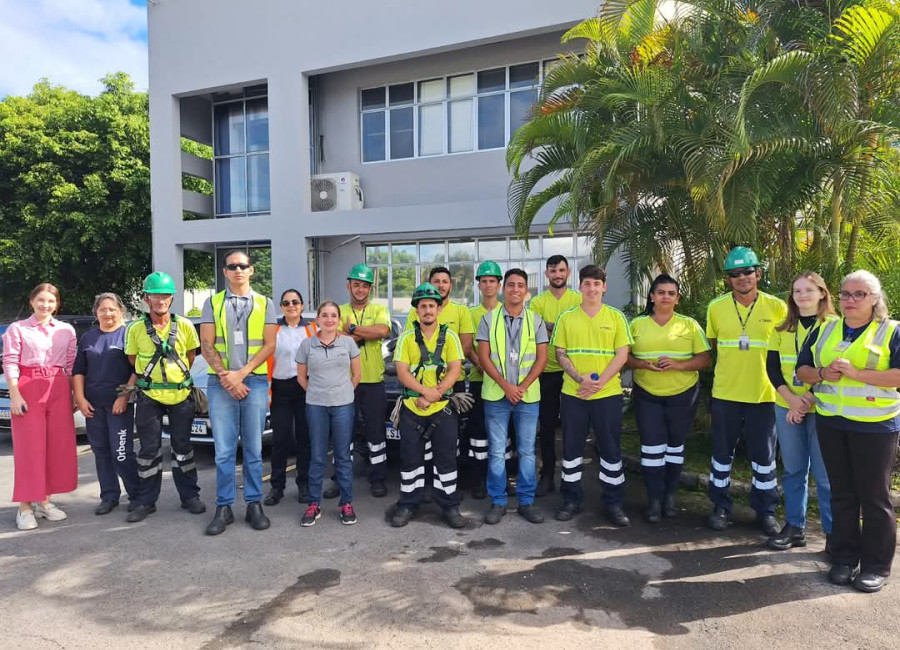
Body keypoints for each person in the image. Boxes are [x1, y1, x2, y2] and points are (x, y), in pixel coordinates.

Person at [796, 270, 900, 593]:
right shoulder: (825, 330)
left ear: (874, 299)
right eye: (845, 294)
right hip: (833, 422)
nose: (850, 300)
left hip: (875, 427)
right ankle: (843, 558)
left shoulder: (891, 332)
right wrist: (823, 373)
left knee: (874, 496)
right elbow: (802, 370)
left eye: (859, 294)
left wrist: (855, 373)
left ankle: (876, 566)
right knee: (841, 493)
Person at [705, 246, 787, 535]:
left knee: (764, 459)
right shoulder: (716, 308)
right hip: (726, 393)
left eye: (747, 272)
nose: (742, 277)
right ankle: (720, 507)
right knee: (721, 455)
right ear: (728, 278)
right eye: (734, 274)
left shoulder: (777, 307)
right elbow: (715, 347)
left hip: (764, 394)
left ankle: (765, 511)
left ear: (759, 273)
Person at [200, 251, 277, 535]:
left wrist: (240, 375)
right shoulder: (213, 302)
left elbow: (270, 344)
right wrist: (226, 377)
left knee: (254, 449)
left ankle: (254, 504)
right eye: (232, 266)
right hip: (220, 383)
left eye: (242, 266)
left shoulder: (264, 303)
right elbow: (206, 343)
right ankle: (224, 507)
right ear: (225, 272)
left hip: (253, 381)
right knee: (223, 451)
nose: (238, 270)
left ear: (251, 270)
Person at [551, 265, 632, 526]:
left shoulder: (616, 317)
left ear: (604, 287)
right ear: (581, 286)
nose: (592, 288)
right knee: (572, 449)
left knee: (610, 449)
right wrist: (579, 379)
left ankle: (614, 503)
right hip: (574, 394)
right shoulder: (567, 318)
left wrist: (599, 382)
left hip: (607, 394)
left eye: (597, 284)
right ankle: (571, 500)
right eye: (587, 284)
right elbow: (560, 353)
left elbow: (622, 355)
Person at [626, 274, 710, 523]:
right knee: (651, 448)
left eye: (671, 293)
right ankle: (653, 499)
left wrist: (678, 364)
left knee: (675, 447)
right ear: (651, 296)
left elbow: (705, 359)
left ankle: (669, 496)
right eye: (661, 292)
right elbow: (624, 357)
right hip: (647, 394)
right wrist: (642, 364)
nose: (665, 297)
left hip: (683, 395)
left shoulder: (689, 325)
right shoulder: (637, 325)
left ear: (677, 299)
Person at [125, 272, 206, 523]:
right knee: (149, 450)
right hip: (149, 395)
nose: (160, 300)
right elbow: (132, 360)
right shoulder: (136, 328)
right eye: (155, 296)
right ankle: (146, 501)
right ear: (146, 299)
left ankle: (189, 496)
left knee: (182, 448)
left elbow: (190, 356)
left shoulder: (184, 325)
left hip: (180, 395)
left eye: (165, 296)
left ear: (171, 298)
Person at [765, 272, 836, 551]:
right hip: (786, 407)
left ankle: (834, 535)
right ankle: (795, 527)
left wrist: (805, 400)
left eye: (809, 290)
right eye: (797, 291)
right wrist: (791, 401)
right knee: (793, 471)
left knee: (825, 475)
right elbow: (772, 369)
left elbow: (836, 371)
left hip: (823, 410)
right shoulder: (781, 329)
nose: (802, 295)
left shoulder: (836, 326)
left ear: (822, 293)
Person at [390, 283, 466, 529]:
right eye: (422, 306)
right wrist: (424, 392)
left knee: (446, 460)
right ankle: (408, 504)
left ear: (438, 308)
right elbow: (401, 371)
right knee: (411, 459)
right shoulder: (406, 339)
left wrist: (436, 393)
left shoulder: (451, 337)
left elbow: (456, 368)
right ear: (416, 310)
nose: (427, 310)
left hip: (442, 409)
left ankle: (449, 505)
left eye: (431, 306)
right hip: (413, 408)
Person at [2, 283, 77, 531]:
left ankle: (45, 501)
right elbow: (10, 361)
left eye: (51, 301)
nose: (46, 305)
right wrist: (15, 395)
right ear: (32, 300)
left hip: (58, 386)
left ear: (57, 304)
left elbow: (71, 365)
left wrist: (74, 395)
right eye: (41, 300)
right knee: (29, 449)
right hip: (28, 386)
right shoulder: (18, 329)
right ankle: (24, 506)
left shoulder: (66, 330)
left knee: (56, 447)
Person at [477, 268, 549, 525]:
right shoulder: (488, 319)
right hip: (496, 395)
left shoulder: (536, 320)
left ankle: (526, 502)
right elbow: (483, 358)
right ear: (503, 289)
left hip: (528, 397)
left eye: (520, 285)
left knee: (527, 451)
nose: (515, 289)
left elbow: (542, 359)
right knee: (497, 451)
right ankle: (498, 502)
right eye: (510, 285)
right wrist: (506, 386)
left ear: (526, 291)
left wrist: (521, 386)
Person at [73, 292, 140, 515]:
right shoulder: (88, 338)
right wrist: (80, 399)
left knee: (121, 453)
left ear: (121, 311)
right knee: (101, 451)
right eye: (103, 309)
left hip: (118, 405)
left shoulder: (128, 335)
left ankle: (137, 495)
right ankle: (109, 496)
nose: (107, 313)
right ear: (96, 312)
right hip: (93, 406)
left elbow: (137, 370)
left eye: (112, 309)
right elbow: (79, 371)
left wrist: (124, 397)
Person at [296, 301, 361, 526]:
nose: (329, 319)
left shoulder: (349, 343)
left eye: (334, 315)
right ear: (318, 320)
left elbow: (357, 375)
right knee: (317, 456)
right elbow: (301, 377)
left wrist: (342, 393)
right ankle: (314, 504)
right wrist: (317, 393)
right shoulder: (307, 345)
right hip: (316, 406)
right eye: (325, 315)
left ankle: (346, 503)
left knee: (343, 456)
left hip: (343, 405)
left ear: (339, 319)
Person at [529, 255, 582, 497]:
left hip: (574, 373)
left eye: (561, 270)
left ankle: (573, 480)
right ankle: (547, 475)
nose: (557, 274)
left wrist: (552, 326)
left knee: (574, 427)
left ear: (568, 273)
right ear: (547, 274)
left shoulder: (579, 299)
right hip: (546, 372)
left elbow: (575, 329)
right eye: (553, 270)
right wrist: (564, 326)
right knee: (547, 428)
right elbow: (537, 329)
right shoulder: (538, 302)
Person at [341, 263, 392, 497]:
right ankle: (340, 479)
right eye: (356, 285)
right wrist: (364, 333)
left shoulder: (379, 309)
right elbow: (332, 334)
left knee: (376, 433)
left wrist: (352, 329)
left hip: (373, 381)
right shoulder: (338, 309)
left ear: (370, 288)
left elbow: (382, 331)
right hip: (344, 382)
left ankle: (377, 478)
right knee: (343, 432)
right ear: (348, 285)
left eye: (365, 286)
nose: (360, 290)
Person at [264, 289, 317, 506]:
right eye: (286, 302)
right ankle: (277, 487)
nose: (291, 305)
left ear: (302, 305)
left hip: (305, 388)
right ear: (282, 307)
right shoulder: (274, 330)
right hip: (281, 389)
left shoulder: (312, 329)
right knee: (280, 439)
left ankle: (303, 485)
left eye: (295, 302)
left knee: (305, 439)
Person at [466, 260, 504, 498]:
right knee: (479, 429)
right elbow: (468, 345)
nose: (488, 285)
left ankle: (502, 477)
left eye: (492, 281)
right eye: (484, 281)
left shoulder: (506, 311)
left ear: (499, 284)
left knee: (502, 432)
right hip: (479, 378)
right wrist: (481, 365)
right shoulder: (470, 313)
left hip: (502, 381)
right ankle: (479, 479)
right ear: (478, 285)